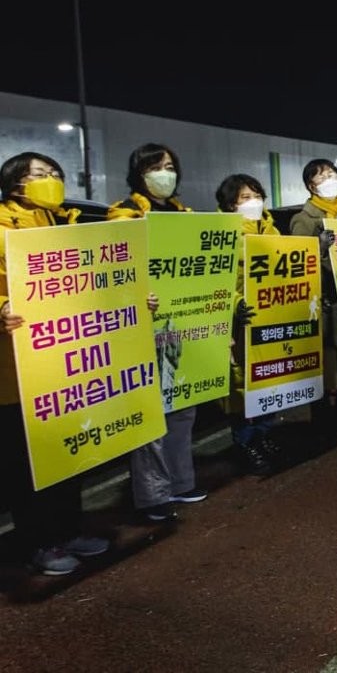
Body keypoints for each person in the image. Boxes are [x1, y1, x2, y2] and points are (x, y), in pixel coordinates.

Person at [0, 153, 113, 575]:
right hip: (15, 371)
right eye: (41, 175)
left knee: (69, 455)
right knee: (27, 465)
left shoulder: (66, 227)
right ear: (15, 183)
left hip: (67, 366)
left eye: (55, 174)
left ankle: (68, 530)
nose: (52, 181)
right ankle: (39, 542)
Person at [108, 143, 207, 522]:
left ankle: (182, 482)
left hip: (182, 324)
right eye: (155, 167)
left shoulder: (186, 214)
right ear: (139, 172)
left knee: (183, 407)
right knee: (150, 414)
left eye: (169, 165)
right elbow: (117, 268)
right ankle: (152, 496)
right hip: (142, 329)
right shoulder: (125, 214)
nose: (164, 173)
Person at [287, 159, 337, 439]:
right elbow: (299, 263)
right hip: (324, 302)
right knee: (325, 366)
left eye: (333, 175)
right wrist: (318, 250)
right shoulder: (304, 219)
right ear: (311, 185)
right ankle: (323, 424)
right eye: (323, 177)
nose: (330, 180)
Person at [216, 174, 281, 475]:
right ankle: (246, 443)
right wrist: (234, 304)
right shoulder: (221, 234)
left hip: (269, 319)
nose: (254, 201)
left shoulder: (273, 231)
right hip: (238, 322)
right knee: (241, 385)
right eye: (245, 198)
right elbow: (215, 279)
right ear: (230, 204)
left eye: (257, 195)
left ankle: (265, 435)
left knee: (268, 379)